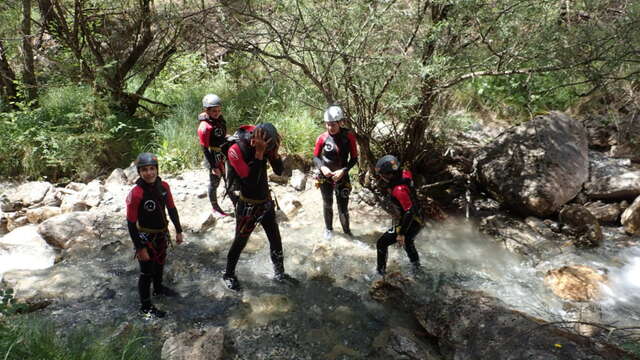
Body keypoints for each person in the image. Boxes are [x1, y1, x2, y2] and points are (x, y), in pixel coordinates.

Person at [222, 123, 294, 290]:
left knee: (275, 239)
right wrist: (260, 153)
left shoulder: (265, 142)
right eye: (266, 146)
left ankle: (279, 273)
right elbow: (250, 183)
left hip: (265, 201)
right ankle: (228, 274)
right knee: (240, 242)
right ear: (254, 139)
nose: (267, 149)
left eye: (270, 146)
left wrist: (273, 154)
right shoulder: (236, 150)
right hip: (247, 203)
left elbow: (279, 171)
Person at [126, 152, 184, 318]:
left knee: (159, 264)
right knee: (146, 271)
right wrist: (139, 248)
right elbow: (131, 223)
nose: (149, 173)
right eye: (144, 170)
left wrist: (178, 230)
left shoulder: (164, 187)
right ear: (139, 172)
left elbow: (172, 209)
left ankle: (158, 289)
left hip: (161, 235)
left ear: (157, 170)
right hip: (145, 237)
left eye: (152, 169)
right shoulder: (136, 193)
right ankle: (145, 307)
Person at [313, 105, 358, 240]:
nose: (330, 127)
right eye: (327, 124)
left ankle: (347, 232)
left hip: (342, 177)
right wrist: (322, 168)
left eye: (333, 124)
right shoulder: (322, 138)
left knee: (343, 207)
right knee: (327, 204)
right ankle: (329, 230)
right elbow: (315, 157)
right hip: (325, 177)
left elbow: (354, 158)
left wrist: (343, 170)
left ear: (340, 122)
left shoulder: (349, 137)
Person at [374, 155, 423, 276]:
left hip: (411, 219)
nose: (381, 177)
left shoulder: (399, 189)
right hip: (419, 217)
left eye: (382, 174)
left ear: (390, 174)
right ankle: (416, 269)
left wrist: (401, 233)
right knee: (408, 242)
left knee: (381, 243)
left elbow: (409, 211)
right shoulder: (405, 173)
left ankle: (380, 273)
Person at [197, 93, 232, 216]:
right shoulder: (204, 127)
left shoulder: (220, 119)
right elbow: (205, 149)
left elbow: (222, 135)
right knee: (215, 182)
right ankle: (215, 206)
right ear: (206, 110)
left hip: (222, 153)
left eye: (218, 110)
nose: (217, 113)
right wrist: (213, 167)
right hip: (212, 156)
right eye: (214, 111)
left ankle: (234, 200)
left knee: (228, 179)